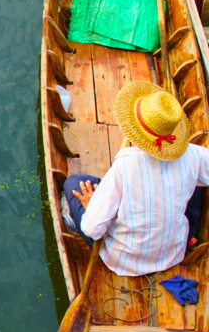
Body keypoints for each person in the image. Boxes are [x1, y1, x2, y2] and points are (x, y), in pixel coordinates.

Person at [64, 81, 209, 277]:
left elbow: (92, 230)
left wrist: (91, 206)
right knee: (196, 180)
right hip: (172, 254)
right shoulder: (193, 155)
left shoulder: (124, 164)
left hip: (124, 260)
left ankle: (97, 205)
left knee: (73, 182)